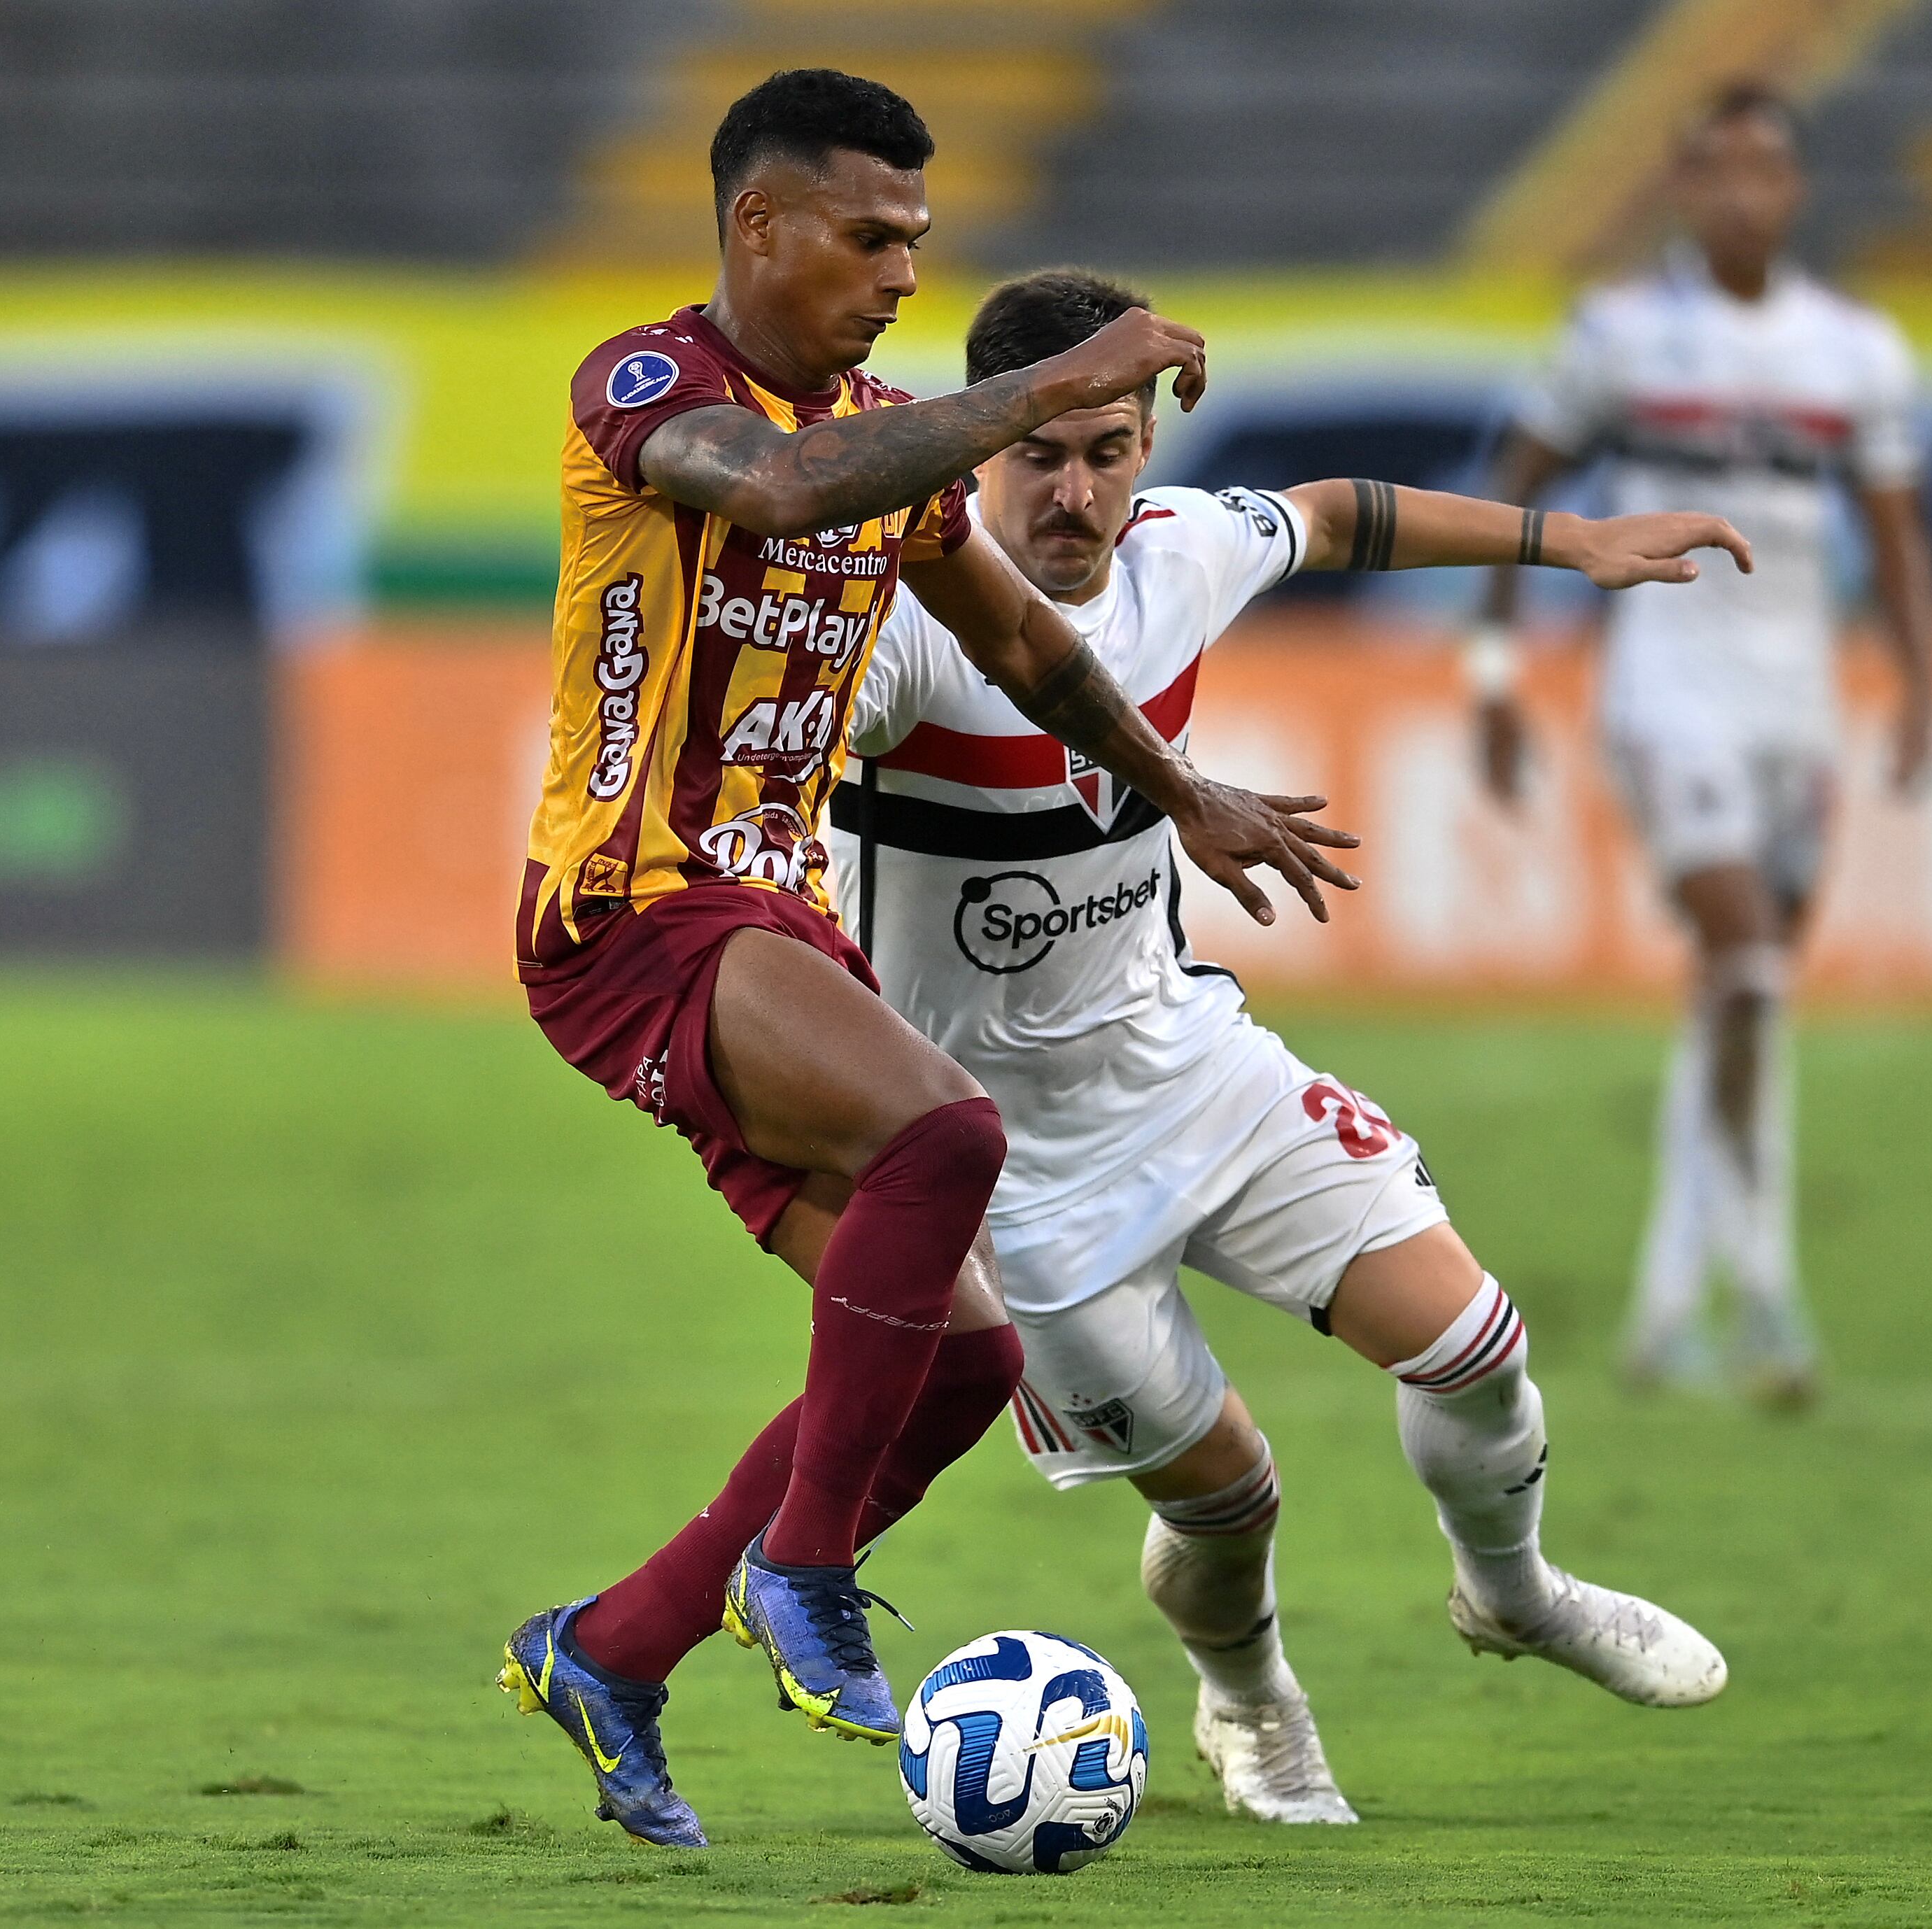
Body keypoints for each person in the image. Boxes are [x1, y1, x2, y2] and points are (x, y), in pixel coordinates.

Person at [495, 72, 1357, 1850]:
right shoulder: (649, 388)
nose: (901, 270)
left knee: (963, 1363)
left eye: (918, 240)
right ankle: (802, 1572)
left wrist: (1179, 791)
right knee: (948, 1133)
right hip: (632, 911)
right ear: (758, 225)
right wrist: (1034, 391)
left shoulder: (902, 438)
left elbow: (1034, 655)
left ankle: (614, 1646)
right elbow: (786, 486)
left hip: (762, 925)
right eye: (871, 234)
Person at [828, 267, 1751, 1825]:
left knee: (1477, 1346)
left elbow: (1332, 515)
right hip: (1006, 1171)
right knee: (1230, 1497)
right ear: (974, 447)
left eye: (1108, 450)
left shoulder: (1177, 558)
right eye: (1039, 451)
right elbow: (758, 736)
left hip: (1192, 1067)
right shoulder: (906, 634)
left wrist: (1570, 541)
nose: (1074, 491)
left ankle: (1513, 1589)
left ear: (1143, 447)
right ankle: (1252, 1703)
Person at [1467, 83, 1932, 1406]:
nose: (1743, 194)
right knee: (1744, 968)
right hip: (1666, 690)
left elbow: (1898, 534)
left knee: (1745, 998)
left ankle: (1669, 1307)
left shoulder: (1856, 350)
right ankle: (1768, 1292)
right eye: (1716, 171)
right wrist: (1496, 675)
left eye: (1765, 172)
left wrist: (1922, 685)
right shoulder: (1620, 334)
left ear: (1792, 191)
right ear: (1684, 189)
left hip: (1798, 706)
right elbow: (1513, 486)